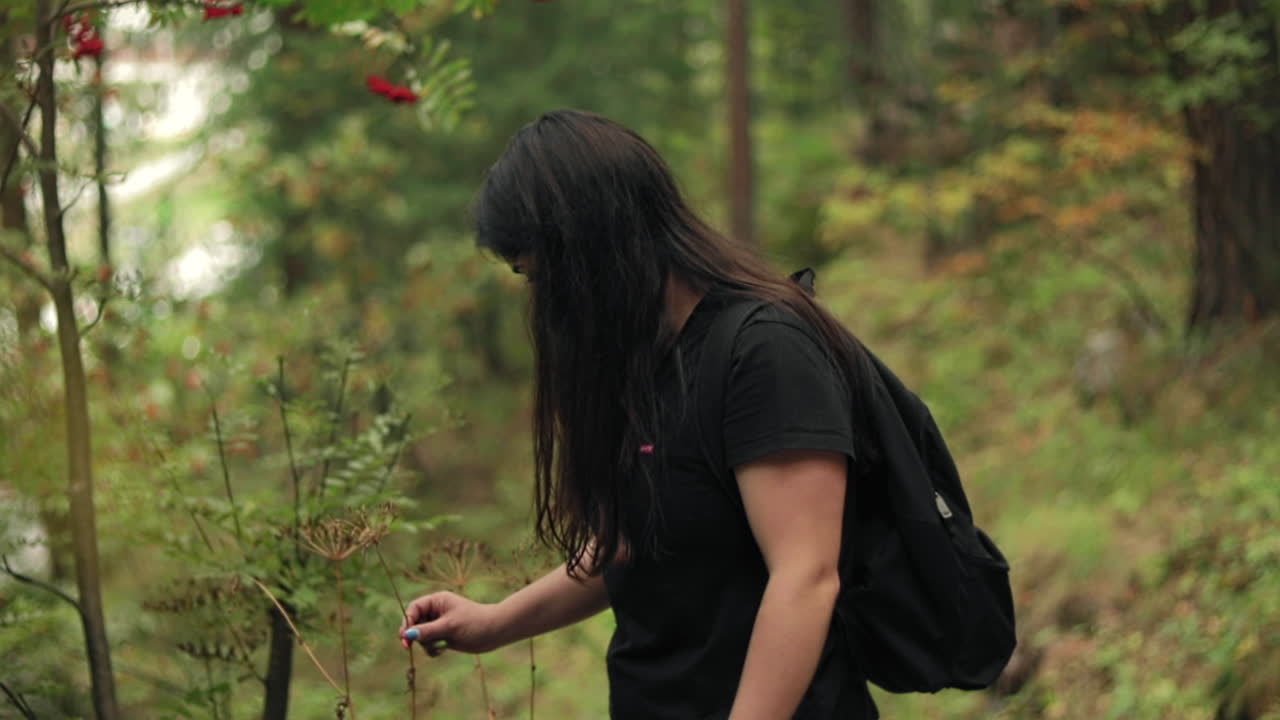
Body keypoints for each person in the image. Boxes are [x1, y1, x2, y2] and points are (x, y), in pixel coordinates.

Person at [398, 109, 881, 719]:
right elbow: (630, 547)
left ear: (592, 246)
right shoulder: (643, 363)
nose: (541, 299)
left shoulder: (765, 352)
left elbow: (805, 576)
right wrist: (493, 623)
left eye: (539, 273)